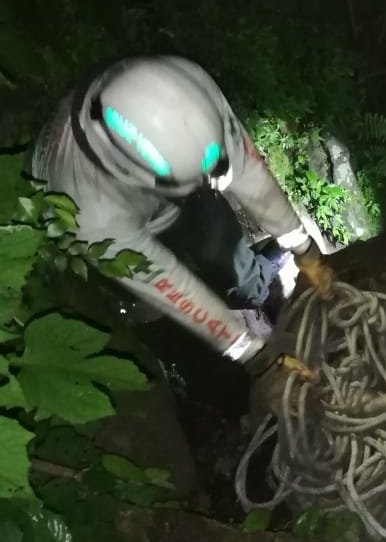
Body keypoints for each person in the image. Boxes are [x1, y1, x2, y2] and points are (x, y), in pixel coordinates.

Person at [29, 55, 333, 370]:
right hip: (108, 214)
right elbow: (169, 284)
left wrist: (304, 248)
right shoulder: (90, 215)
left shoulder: (185, 86)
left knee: (220, 240)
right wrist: (253, 354)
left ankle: (254, 291)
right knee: (156, 307)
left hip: (162, 179)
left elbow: (247, 170)